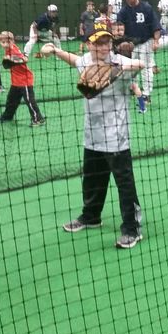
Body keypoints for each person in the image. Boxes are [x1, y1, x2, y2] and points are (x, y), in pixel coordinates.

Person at [46, 30, 145, 249]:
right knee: (92, 178)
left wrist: (115, 70)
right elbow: (75, 61)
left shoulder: (119, 61)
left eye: (106, 43)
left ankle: (132, 228)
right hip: (92, 134)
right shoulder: (86, 60)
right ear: (89, 45)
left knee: (124, 182)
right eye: (98, 44)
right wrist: (55, 51)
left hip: (116, 136)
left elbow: (140, 64)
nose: (103, 47)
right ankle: (91, 216)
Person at [116, 0, 161, 103]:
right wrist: (123, 41)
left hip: (146, 41)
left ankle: (146, 94)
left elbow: (155, 26)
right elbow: (119, 29)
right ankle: (132, 89)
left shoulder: (146, 7)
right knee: (131, 68)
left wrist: (156, 41)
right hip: (132, 44)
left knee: (146, 67)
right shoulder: (123, 11)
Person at [0, 32, 44, 126]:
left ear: (12, 42)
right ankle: (8, 116)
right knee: (11, 100)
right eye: (2, 42)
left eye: (6, 42)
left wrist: (12, 59)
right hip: (16, 81)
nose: (4, 44)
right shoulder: (8, 47)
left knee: (29, 100)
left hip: (24, 80)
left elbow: (24, 59)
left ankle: (38, 119)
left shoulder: (14, 51)